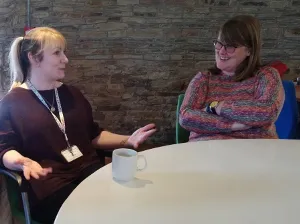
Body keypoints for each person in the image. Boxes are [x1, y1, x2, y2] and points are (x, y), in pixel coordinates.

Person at [0, 27, 156, 223]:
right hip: (50, 184)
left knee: (126, 203)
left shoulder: (72, 94)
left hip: (87, 169)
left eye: (64, 52)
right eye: (57, 53)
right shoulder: (11, 103)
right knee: (93, 215)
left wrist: (127, 140)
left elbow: (93, 135)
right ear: (34, 58)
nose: (65, 59)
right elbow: (4, 149)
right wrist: (24, 162)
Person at [179, 15, 285, 141]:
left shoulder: (266, 76)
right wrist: (231, 125)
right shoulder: (203, 79)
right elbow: (186, 117)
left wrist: (216, 107)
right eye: (219, 44)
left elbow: (267, 112)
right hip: (208, 151)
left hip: (256, 151)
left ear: (249, 51)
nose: (221, 51)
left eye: (230, 47)